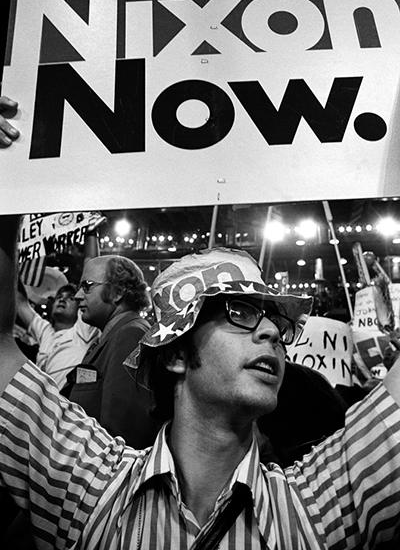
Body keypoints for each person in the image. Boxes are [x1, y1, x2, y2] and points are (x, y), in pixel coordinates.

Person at [1, 210, 400, 549]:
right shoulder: (90, 486)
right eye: (241, 312)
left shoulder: (318, 504)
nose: (273, 333)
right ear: (175, 355)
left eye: (276, 321)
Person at [62, 254, 160, 448]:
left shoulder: (131, 335)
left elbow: (123, 434)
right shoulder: (113, 335)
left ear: (118, 291)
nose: (78, 295)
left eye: (87, 286)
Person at [17, 280, 100, 390]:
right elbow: (21, 303)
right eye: (59, 296)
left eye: (71, 298)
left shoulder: (83, 331)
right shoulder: (46, 332)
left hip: (70, 401)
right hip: (41, 401)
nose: (62, 299)